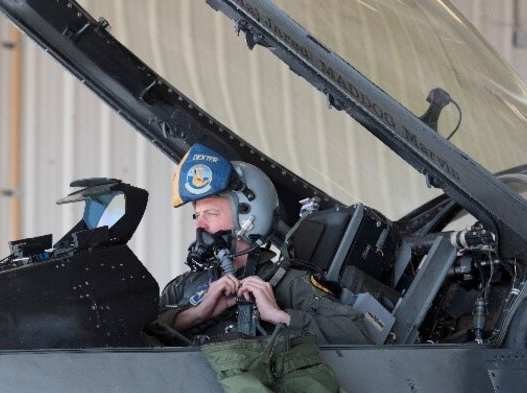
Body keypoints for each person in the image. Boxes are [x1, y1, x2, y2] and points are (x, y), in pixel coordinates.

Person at [158, 143, 372, 345]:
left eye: (212, 213)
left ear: (249, 218)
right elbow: (136, 336)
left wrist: (281, 316)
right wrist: (195, 314)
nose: (200, 225)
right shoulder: (184, 286)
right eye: (197, 215)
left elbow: (358, 333)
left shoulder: (288, 283)